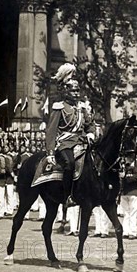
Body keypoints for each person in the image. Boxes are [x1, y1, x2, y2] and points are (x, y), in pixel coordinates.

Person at [45, 63, 96, 204]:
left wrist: (91, 134)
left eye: (77, 91)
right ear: (66, 91)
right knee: (69, 164)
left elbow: (89, 124)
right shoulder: (59, 107)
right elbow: (51, 131)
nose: (76, 94)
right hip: (65, 143)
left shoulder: (82, 107)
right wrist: (50, 152)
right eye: (73, 91)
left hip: (82, 142)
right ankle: (67, 196)